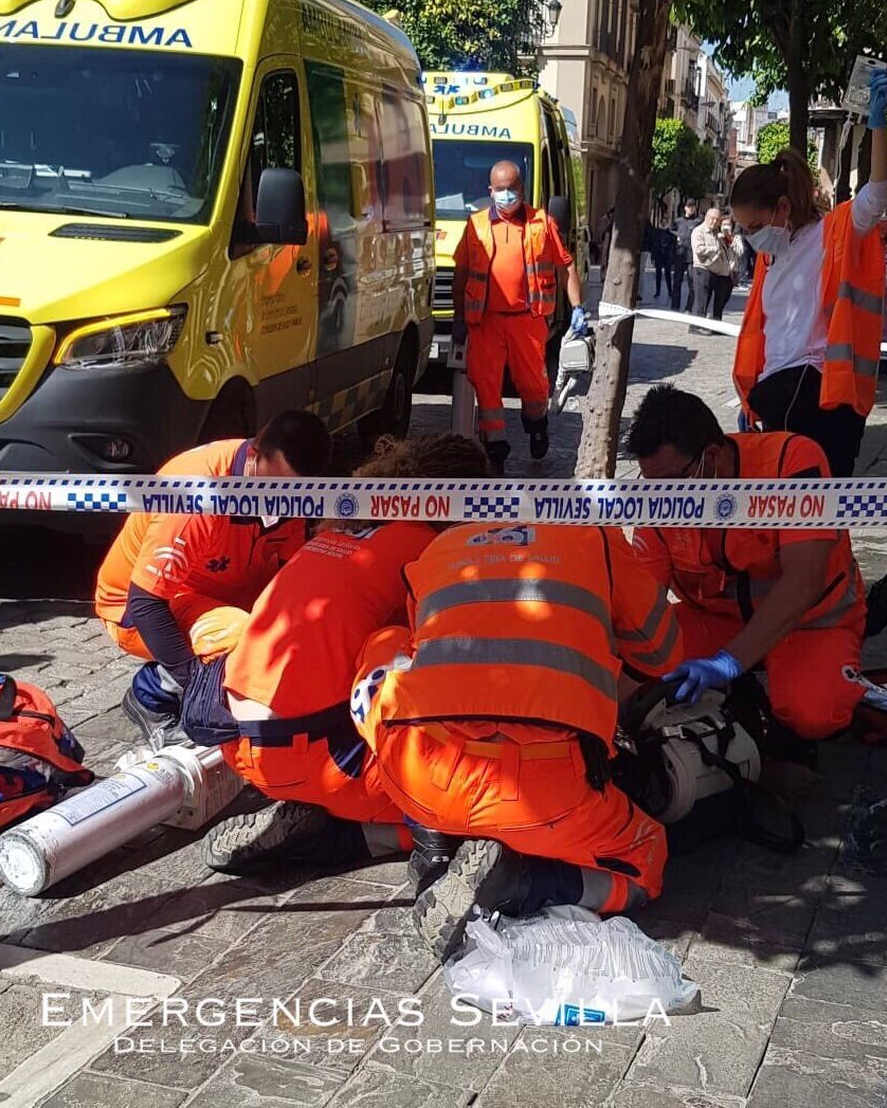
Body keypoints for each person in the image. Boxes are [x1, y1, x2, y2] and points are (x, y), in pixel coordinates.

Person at [350, 520, 683, 959]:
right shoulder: (596, 543)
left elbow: (420, 645)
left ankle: (433, 838)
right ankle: (521, 883)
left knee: (386, 643)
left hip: (420, 772)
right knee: (645, 864)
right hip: (544, 796)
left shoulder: (441, 545)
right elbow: (662, 654)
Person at [198, 434, 492, 873]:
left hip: (240, 743)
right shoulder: (431, 552)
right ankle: (343, 835)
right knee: (485, 810)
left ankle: (311, 809)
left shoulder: (345, 530)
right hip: (324, 758)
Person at [627, 385, 867, 743]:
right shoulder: (662, 495)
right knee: (631, 673)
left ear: (711, 455)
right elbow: (642, 600)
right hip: (716, 621)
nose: (664, 500)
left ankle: (755, 688)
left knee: (814, 714)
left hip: (809, 622)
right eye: (652, 486)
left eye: (671, 485)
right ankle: (742, 697)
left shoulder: (791, 460)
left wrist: (730, 662)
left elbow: (805, 579)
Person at [94, 410, 331, 753]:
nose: (275, 499)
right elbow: (145, 603)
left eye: (288, 490)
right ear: (255, 450)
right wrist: (199, 689)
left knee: (299, 628)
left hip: (216, 594)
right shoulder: (197, 491)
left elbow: (286, 575)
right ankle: (152, 696)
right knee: (244, 638)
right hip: (139, 610)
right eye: (271, 484)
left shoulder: (287, 494)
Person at [727, 65, 887, 479]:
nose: (752, 240)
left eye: (753, 227)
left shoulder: (832, 233)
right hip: (777, 399)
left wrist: (879, 125)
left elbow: (877, 196)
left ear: (782, 209)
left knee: (815, 520)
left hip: (820, 399)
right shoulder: (772, 258)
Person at [452, 160, 582, 475]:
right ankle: (495, 447)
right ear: (490, 191)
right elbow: (462, 272)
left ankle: (536, 424)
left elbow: (566, 266)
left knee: (534, 386)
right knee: (486, 385)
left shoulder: (542, 223)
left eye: (512, 189)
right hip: (486, 321)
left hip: (527, 319)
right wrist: (458, 319)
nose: (506, 195)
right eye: (500, 190)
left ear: (522, 190)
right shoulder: (476, 225)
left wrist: (577, 308)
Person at [689, 206, 738, 330]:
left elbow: (730, 250)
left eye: (717, 220)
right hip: (702, 268)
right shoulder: (698, 231)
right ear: (706, 217)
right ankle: (696, 326)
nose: (714, 222)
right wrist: (714, 250)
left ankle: (713, 325)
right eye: (712, 219)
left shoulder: (718, 233)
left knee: (711, 299)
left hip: (716, 271)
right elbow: (699, 249)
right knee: (701, 300)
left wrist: (728, 238)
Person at [671, 201, 699, 314]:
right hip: (680, 255)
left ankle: (689, 307)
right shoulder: (678, 221)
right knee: (677, 282)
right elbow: (670, 230)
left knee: (692, 283)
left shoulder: (698, 221)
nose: (690, 209)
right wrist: (676, 237)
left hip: (692, 257)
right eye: (688, 206)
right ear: (685, 208)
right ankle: (675, 306)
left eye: (692, 207)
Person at [647, 215, 673, 301]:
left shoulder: (670, 233)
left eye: (666, 222)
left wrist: (672, 258)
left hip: (667, 256)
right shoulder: (656, 232)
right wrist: (653, 256)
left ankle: (670, 291)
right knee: (658, 274)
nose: (664, 223)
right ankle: (658, 291)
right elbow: (654, 245)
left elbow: (672, 246)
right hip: (659, 255)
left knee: (667, 274)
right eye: (663, 222)